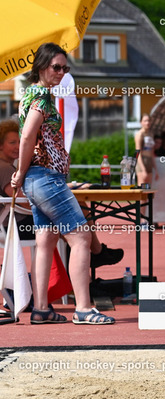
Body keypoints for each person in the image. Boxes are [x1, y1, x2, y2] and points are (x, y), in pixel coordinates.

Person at [11, 43, 115, 325]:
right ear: (41, 66)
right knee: (81, 237)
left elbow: (29, 134)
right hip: (45, 177)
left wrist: (23, 172)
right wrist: (20, 171)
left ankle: (42, 308)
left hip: (38, 178)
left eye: (65, 68)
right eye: (56, 67)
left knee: (45, 241)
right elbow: (27, 135)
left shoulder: (29, 95)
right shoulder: (41, 96)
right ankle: (83, 308)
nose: (61, 73)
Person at [0, 118, 124, 267]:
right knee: (75, 214)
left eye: (20, 142)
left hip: (20, 221)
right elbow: (22, 200)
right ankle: (95, 254)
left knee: (75, 210)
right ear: (0, 145)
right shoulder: (5, 168)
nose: (18, 146)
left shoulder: (9, 165)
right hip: (18, 226)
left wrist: (63, 189)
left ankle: (92, 258)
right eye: (12, 143)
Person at [134, 113, 158, 187]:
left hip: (149, 162)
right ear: (141, 122)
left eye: (149, 121)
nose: (147, 123)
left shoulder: (151, 134)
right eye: (145, 121)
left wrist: (156, 169)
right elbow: (138, 153)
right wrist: (143, 169)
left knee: (148, 189)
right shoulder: (139, 134)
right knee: (142, 188)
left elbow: (152, 152)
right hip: (142, 161)